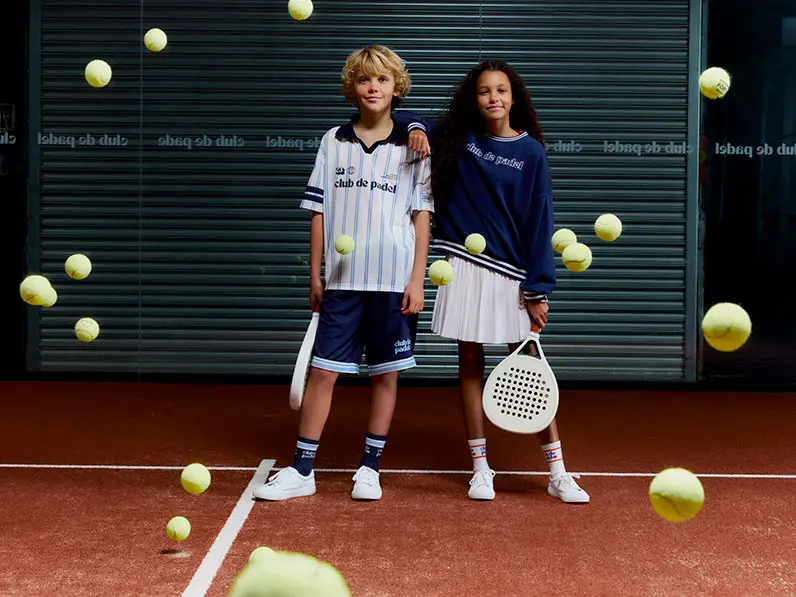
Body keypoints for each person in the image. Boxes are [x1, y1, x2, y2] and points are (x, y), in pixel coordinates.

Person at [398, 61, 590, 503]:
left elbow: (540, 221)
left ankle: (558, 472)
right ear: (475, 98)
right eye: (484, 91)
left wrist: (539, 287)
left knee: (532, 374)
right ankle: (480, 469)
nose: (493, 98)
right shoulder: (459, 137)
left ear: (514, 97)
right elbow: (410, 117)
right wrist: (414, 127)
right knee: (468, 365)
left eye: (501, 90)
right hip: (463, 264)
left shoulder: (531, 153)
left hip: (512, 274)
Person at [253, 45, 433, 502]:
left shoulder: (414, 146)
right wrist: (316, 272)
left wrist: (417, 279)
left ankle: (370, 469)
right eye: (364, 79)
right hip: (343, 281)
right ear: (352, 87)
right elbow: (318, 211)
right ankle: (302, 469)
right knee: (323, 374)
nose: (373, 87)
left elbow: (421, 216)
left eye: (383, 80)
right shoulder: (332, 140)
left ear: (397, 88)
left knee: (385, 375)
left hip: (393, 281)